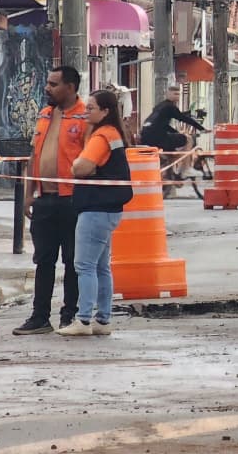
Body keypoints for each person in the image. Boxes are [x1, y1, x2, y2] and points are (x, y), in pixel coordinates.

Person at [14, 66, 89, 335]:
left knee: (72, 261)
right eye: (47, 82)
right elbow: (35, 156)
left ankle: (69, 314)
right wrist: (28, 195)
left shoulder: (84, 118)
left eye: (54, 84)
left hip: (72, 201)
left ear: (70, 87)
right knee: (43, 260)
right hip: (44, 200)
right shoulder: (45, 114)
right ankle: (40, 316)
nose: (47, 87)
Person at [58, 89, 134, 336]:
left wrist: (82, 166)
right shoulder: (114, 134)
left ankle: (83, 320)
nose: (85, 111)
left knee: (85, 266)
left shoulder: (102, 136)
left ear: (105, 111)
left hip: (95, 210)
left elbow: (79, 168)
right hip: (109, 210)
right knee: (101, 267)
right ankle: (102, 319)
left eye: (90, 108)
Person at [140, 85, 206, 153]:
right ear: (168, 94)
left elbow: (164, 126)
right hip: (158, 139)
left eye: (178, 94)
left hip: (145, 138)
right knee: (188, 139)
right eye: (175, 94)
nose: (177, 96)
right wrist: (202, 129)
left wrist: (176, 132)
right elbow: (184, 118)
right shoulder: (170, 107)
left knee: (172, 141)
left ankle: (169, 160)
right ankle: (184, 162)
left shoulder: (159, 106)